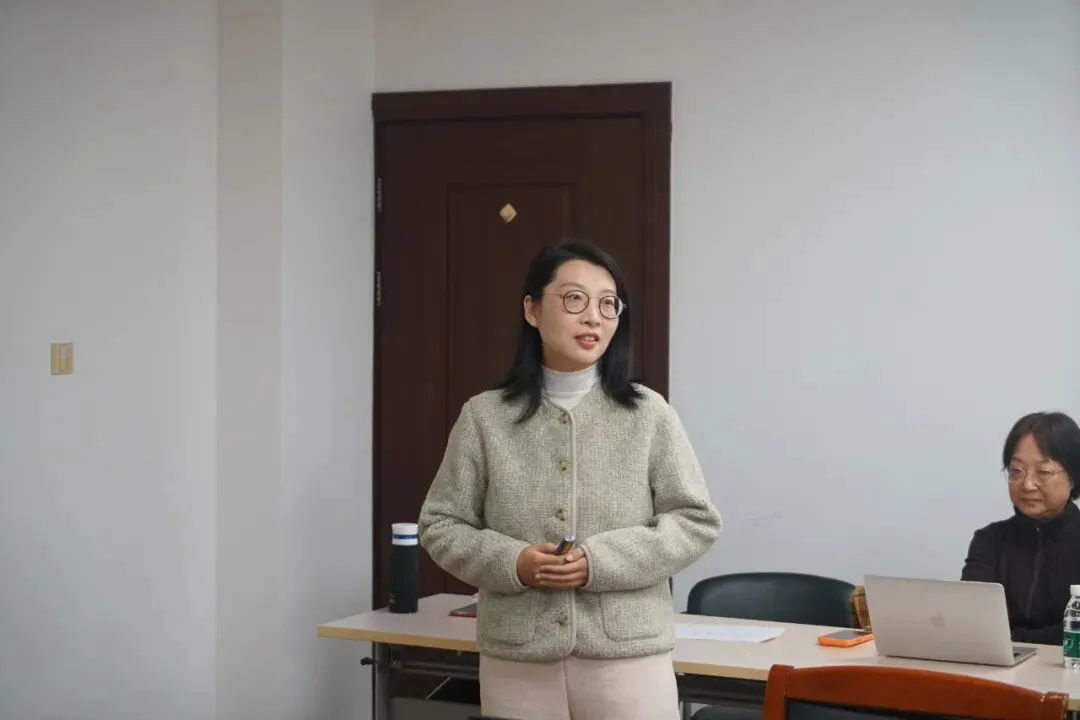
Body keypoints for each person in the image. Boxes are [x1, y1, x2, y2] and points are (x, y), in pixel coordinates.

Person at [418, 241, 721, 720]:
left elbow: (695, 521)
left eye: (608, 303)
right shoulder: (484, 417)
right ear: (532, 309)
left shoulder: (649, 414)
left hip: (628, 659)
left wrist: (598, 562)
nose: (594, 317)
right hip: (518, 660)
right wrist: (514, 562)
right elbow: (440, 524)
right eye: (575, 299)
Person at [961, 411, 1080, 644]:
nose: (1027, 484)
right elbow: (972, 621)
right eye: (1016, 471)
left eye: (1043, 472)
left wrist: (1009, 639)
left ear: (1074, 476)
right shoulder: (990, 540)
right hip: (999, 665)